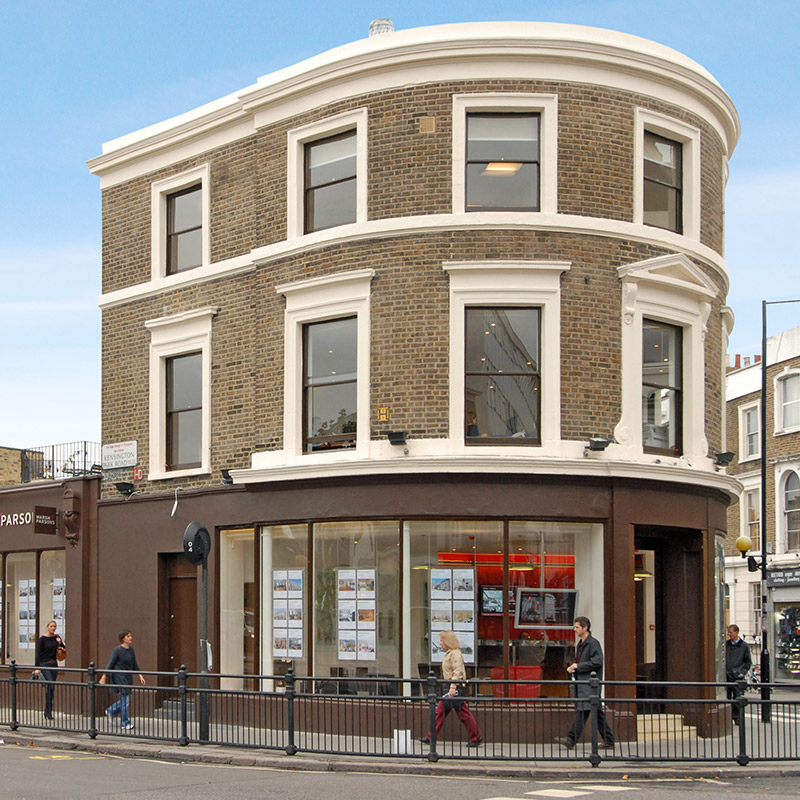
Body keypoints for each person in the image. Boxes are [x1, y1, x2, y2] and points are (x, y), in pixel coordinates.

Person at [556, 616, 614, 750]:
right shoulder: (581, 645)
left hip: (589, 684)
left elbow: (597, 662)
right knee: (596, 712)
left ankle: (571, 738)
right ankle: (609, 739)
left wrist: (578, 666)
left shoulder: (593, 644)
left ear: (585, 628)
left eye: (577, 627)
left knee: (583, 710)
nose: (574, 629)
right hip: (584, 683)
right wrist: (575, 668)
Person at [419, 630, 483, 747]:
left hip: (452, 687)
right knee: (458, 713)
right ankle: (475, 737)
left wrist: (453, 687)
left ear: (447, 642)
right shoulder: (452, 654)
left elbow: (457, 671)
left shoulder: (455, 654)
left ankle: (431, 737)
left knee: (444, 713)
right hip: (451, 687)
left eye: (442, 640)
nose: (440, 643)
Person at [99, 629, 146, 730]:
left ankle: (111, 710)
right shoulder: (117, 650)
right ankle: (125, 722)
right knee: (125, 699)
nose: (130, 638)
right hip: (120, 677)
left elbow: (134, 664)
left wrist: (140, 675)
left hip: (128, 677)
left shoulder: (131, 650)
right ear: (123, 638)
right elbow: (110, 664)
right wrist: (104, 676)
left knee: (127, 699)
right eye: (128, 636)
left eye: (130, 636)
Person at [33, 620, 65, 720]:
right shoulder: (42, 639)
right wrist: (37, 667)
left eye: (54, 626)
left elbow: (63, 649)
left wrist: (60, 642)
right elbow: (38, 654)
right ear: (47, 627)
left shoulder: (56, 637)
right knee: (50, 685)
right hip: (44, 664)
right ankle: (48, 710)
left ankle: (47, 710)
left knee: (51, 687)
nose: (53, 628)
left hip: (54, 664)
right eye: (51, 626)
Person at [725, 624, 752, 725]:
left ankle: (737, 717)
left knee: (737, 697)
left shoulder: (744, 646)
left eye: (731, 632)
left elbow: (748, 662)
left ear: (737, 632)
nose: (729, 634)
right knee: (727, 697)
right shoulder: (726, 644)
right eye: (728, 632)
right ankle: (728, 717)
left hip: (737, 677)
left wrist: (741, 672)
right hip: (726, 675)